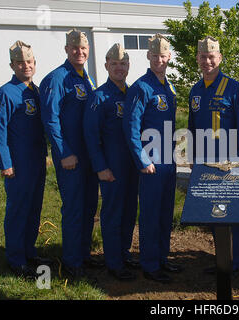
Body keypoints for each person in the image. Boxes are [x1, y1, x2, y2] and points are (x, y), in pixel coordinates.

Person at [188, 36, 239, 275]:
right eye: (203, 57)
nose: (207, 61)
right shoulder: (195, 90)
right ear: (198, 59)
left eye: (211, 56)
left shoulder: (237, 89)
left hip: (229, 164)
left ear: (220, 58)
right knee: (214, 214)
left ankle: (233, 263)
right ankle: (221, 260)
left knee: (230, 215)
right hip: (205, 163)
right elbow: (194, 130)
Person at [39, 29, 101, 280]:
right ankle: (72, 261)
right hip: (70, 157)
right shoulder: (57, 78)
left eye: (83, 48)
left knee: (89, 207)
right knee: (74, 207)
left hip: (89, 157)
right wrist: (63, 152)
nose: (80, 52)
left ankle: (83, 254)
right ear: (66, 49)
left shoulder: (86, 78)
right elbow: (50, 120)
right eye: (75, 48)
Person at [124, 34, 182, 283]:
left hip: (168, 161)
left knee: (165, 213)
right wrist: (142, 160)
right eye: (155, 55)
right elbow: (131, 127)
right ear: (148, 56)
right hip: (150, 164)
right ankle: (149, 264)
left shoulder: (168, 86)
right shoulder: (141, 87)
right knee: (150, 214)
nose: (160, 59)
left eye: (164, 55)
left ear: (169, 57)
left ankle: (162, 258)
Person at [0, 41, 49, 279]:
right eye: (20, 62)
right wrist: (5, 163)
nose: (26, 66)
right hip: (17, 164)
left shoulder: (35, 91)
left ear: (34, 64)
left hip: (36, 162)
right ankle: (15, 258)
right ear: (12, 65)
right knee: (18, 210)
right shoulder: (5, 93)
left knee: (34, 209)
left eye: (30, 62)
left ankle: (29, 251)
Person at [83, 44, 139, 281]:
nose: (119, 68)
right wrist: (101, 167)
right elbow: (91, 135)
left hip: (132, 167)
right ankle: (113, 262)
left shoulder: (133, 93)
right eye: (114, 64)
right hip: (111, 168)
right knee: (113, 213)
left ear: (128, 66)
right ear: (106, 65)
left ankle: (123, 253)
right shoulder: (100, 96)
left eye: (123, 64)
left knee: (129, 212)